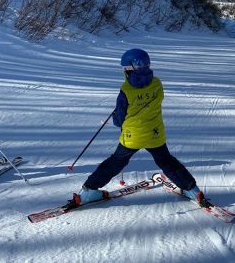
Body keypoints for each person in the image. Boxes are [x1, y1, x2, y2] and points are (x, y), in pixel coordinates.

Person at [74, 48, 206, 206]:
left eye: (125, 68)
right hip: (155, 134)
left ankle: (89, 191)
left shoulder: (126, 91)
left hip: (132, 137)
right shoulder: (157, 83)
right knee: (166, 161)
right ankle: (192, 190)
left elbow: (118, 121)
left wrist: (119, 112)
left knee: (116, 162)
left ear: (130, 68)